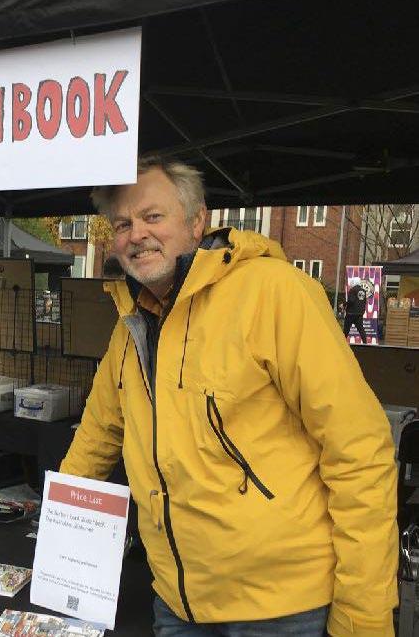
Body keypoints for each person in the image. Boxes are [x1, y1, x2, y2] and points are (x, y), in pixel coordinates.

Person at [60, 156, 397, 637]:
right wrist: (60, 546)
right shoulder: (131, 323)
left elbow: (359, 452)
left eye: (153, 216)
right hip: (177, 602)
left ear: (197, 220)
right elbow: (94, 440)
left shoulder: (275, 293)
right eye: (122, 224)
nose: (136, 234)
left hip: (282, 610)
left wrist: (363, 616)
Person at [343, 277, 369, 343]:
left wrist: (344, 304)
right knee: (361, 329)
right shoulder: (363, 291)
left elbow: (351, 301)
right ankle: (365, 343)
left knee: (346, 329)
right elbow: (364, 302)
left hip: (351, 313)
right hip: (359, 313)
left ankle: (342, 343)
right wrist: (362, 311)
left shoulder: (352, 290)